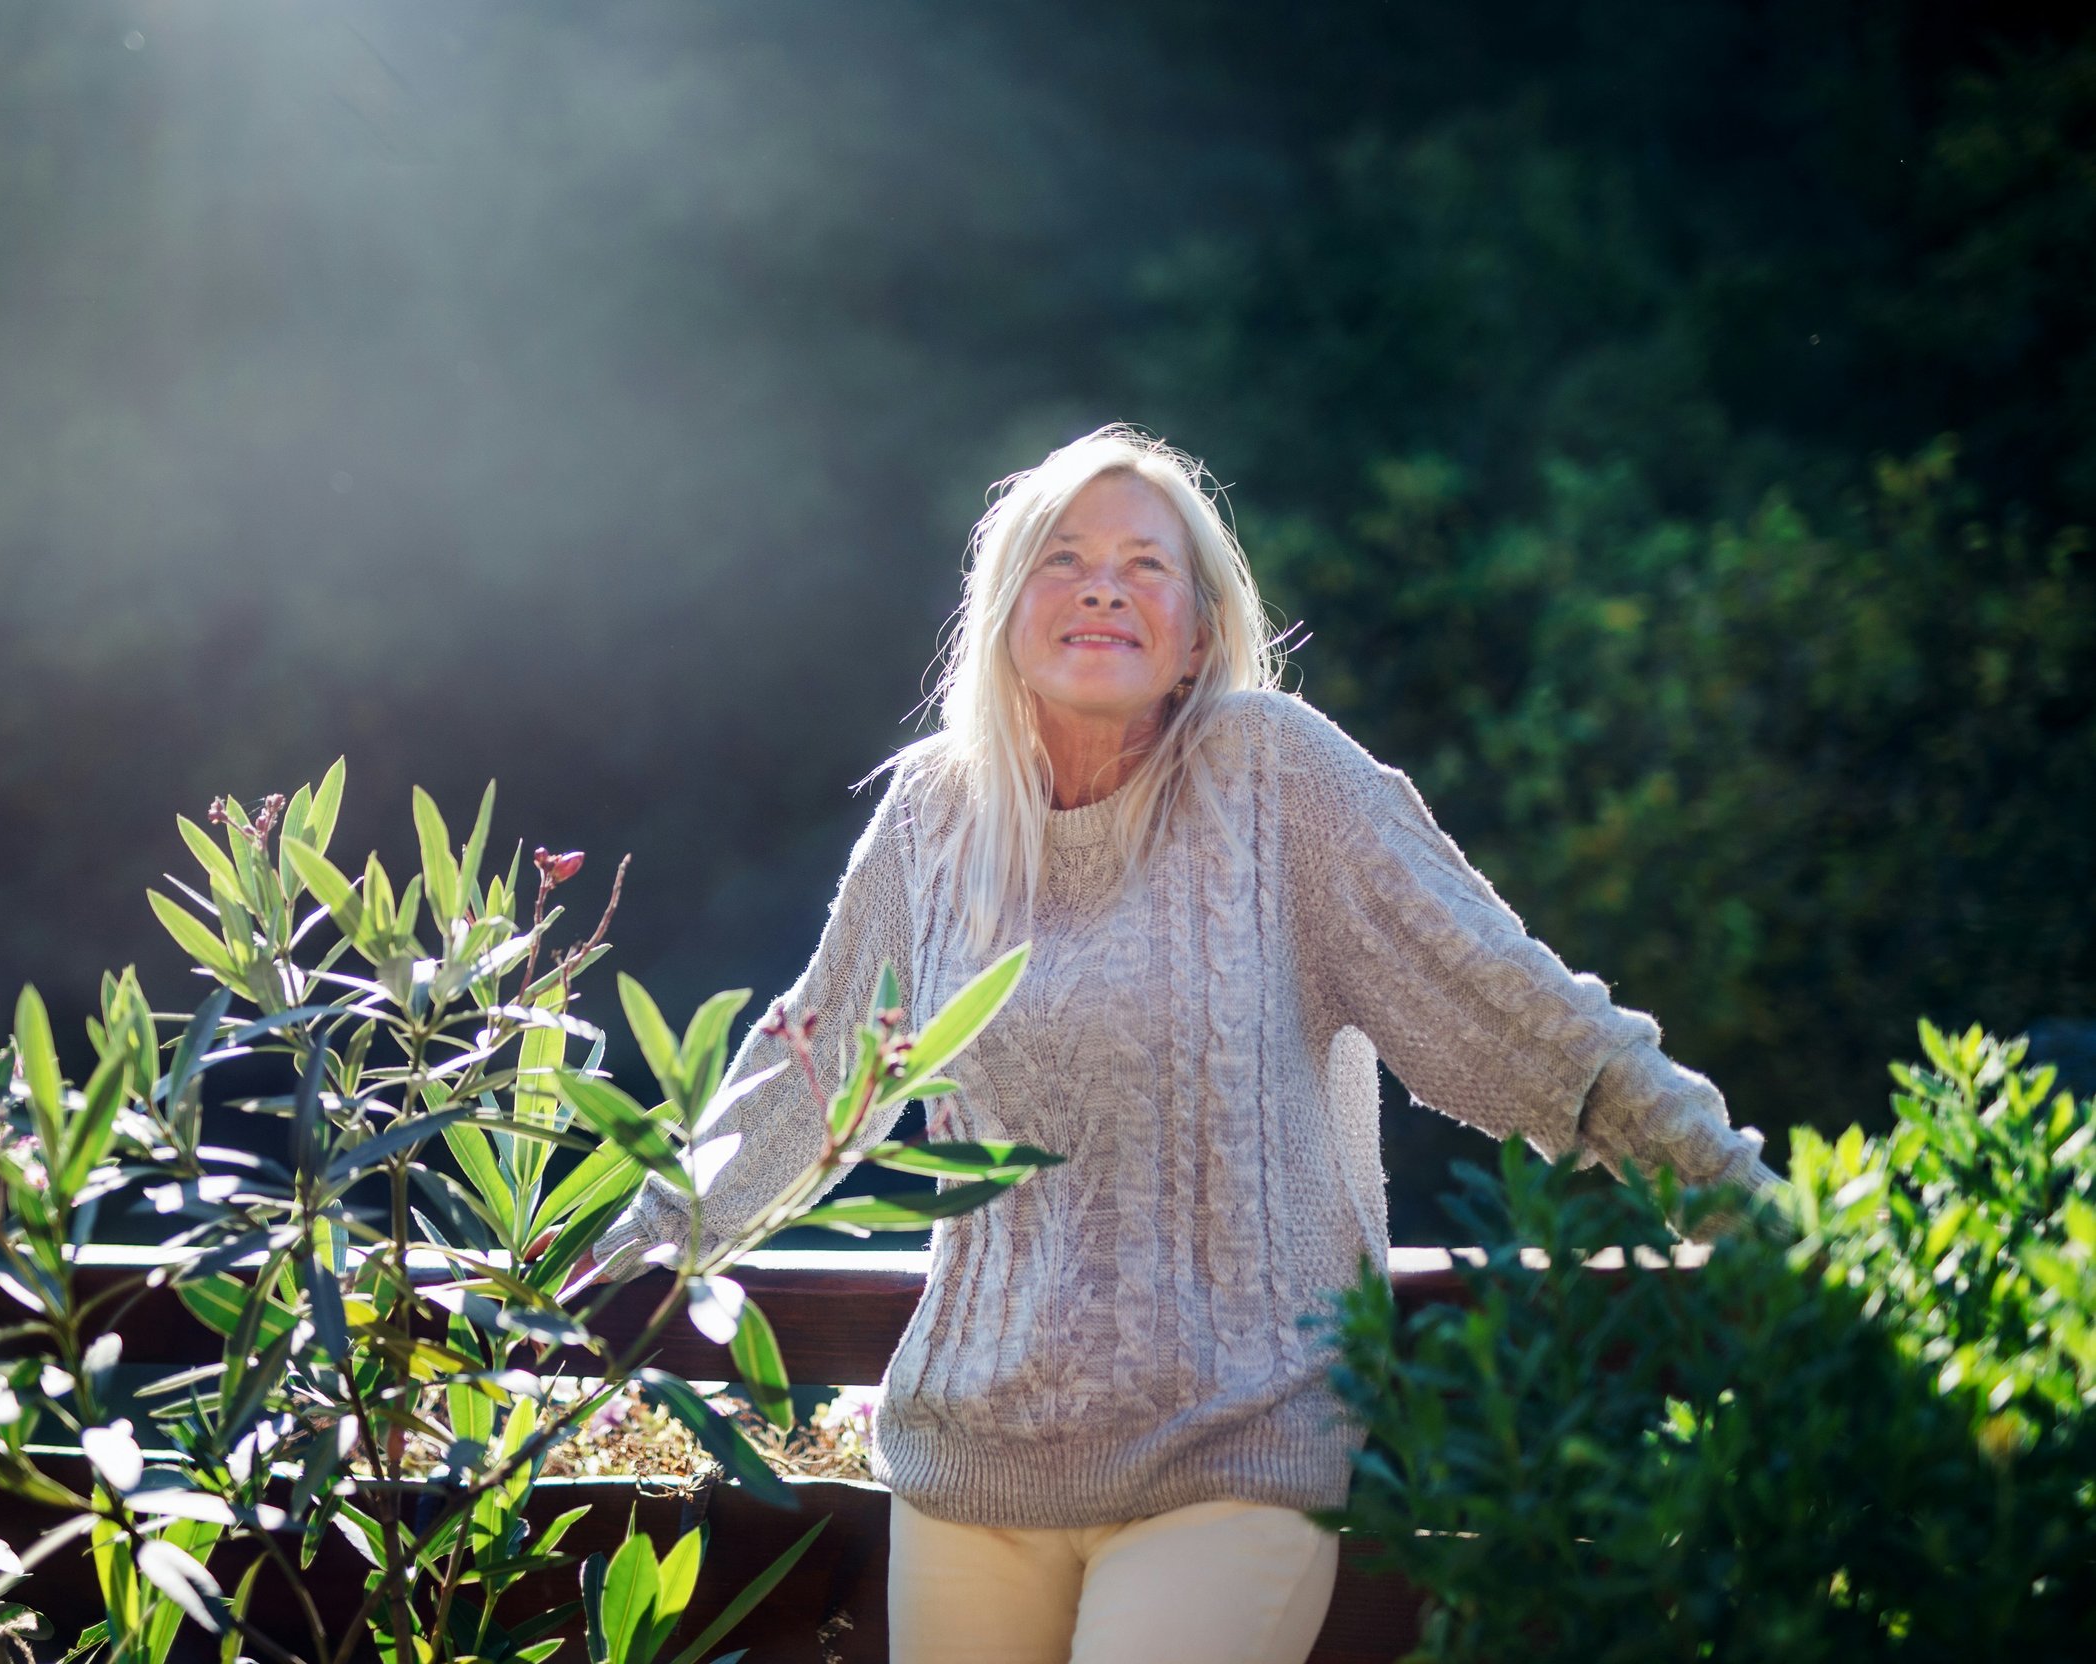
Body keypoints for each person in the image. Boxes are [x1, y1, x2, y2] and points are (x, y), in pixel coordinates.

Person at [590, 425, 1779, 1664]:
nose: (1102, 583)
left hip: (1229, 1451)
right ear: (1003, 612)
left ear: (1200, 633)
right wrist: (606, 1252)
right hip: (969, 1461)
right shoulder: (933, 815)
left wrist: (1735, 1198)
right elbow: (806, 1069)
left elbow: (1517, 1015)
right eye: (1062, 556)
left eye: (1143, 564)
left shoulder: (1279, 780)